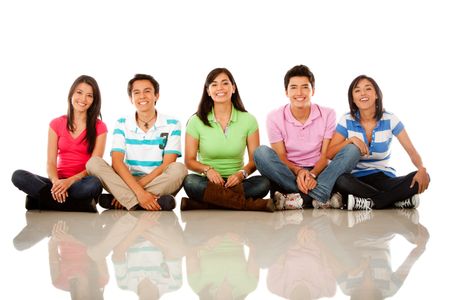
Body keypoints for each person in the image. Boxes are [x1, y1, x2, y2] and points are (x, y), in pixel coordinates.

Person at [326, 75, 430, 210]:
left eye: (368, 89)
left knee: (421, 178)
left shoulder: (390, 119)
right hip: (356, 179)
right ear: (353, 98)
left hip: (383, 178)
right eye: (357, 90)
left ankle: (371, 201)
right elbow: (330, 153)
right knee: (341, 180)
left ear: (376, 95)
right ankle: (394, 200)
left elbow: (412, 152)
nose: (363, 93)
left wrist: (421, 169)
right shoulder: (346, 120)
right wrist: (350, 141)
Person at [86, 74, 187, 211]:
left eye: (147, 91)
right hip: (128, 178)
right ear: (131, 98)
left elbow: (168, 164)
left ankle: (125, 199)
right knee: (93, 163)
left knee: (179, 169)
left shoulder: (173, 124)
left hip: (158, 179)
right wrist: (139, 192)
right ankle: (153, 201)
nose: (142, 96)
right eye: (136, 92)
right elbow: (117, 162)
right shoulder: (122, 123)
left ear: (156, 95)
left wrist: (136, 189)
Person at [11, 75, 107, 212]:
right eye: (79, 92)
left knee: (94, 184)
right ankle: (78, 205)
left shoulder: (100, 127)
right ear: (71, 94)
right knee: (18, 175)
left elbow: (94, 167)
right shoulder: (56, 124)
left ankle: (41, 201)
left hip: (81, 182)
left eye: (89, 95)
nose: (83, 99)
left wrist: (70, 181)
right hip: (57, 181)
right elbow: (50, 162)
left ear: (94, 100)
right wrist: (57, 183)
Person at [181, 67, 272, 212]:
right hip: (208, 181)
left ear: (233, 88)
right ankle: (250, 204)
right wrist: (208, 170)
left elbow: (254, 161)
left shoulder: (249, 120)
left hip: (237, 183)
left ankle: (202, 204)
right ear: (208, 91)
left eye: (225, 83)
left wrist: (241, 174)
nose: (220, 88)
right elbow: (189, 161)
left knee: (264, 183)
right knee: (190, 182)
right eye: (214, 84)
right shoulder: (196, 121)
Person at [254, 65, 340, 210]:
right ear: (286, 92)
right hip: (289, 172)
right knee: (260, 153)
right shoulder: (274, 117)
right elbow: (281, 155)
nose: (299, 92)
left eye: (305, 87)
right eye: (293, 87)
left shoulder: (328, 114)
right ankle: (318, 197)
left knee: (343, 157)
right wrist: (299, 171)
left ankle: (297, 198)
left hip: (318, 171)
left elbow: (325, 155)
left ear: (313, 90)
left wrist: (311, 175)